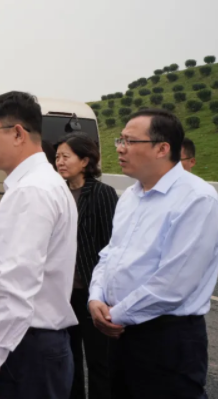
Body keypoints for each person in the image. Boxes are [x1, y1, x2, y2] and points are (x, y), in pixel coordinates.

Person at [89, 109, 218, 399]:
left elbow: (174, 284)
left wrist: (114, 316)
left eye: (130, 141)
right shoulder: (131, 196)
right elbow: (110, 253)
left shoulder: (197, 199)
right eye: (120, 140)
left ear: (162, 148)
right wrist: (96, 297)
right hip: (120, 331)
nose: (120, 148)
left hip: (166, 338)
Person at [0, 91, 78, 399]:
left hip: (22, 348)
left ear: (18, 133)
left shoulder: (31, 191)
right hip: (29, 341)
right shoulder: (43, 183)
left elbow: (16, 282)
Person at [55, 133, 118, 399]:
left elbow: (111, 245)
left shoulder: (102, 194)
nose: (59, 162)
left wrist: (106, 293)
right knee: (68, 359)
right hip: (63, 293)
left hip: (93, 293)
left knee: (99, 361)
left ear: (85, 161)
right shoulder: (57, 193)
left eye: (66, 156)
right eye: (57, 157)